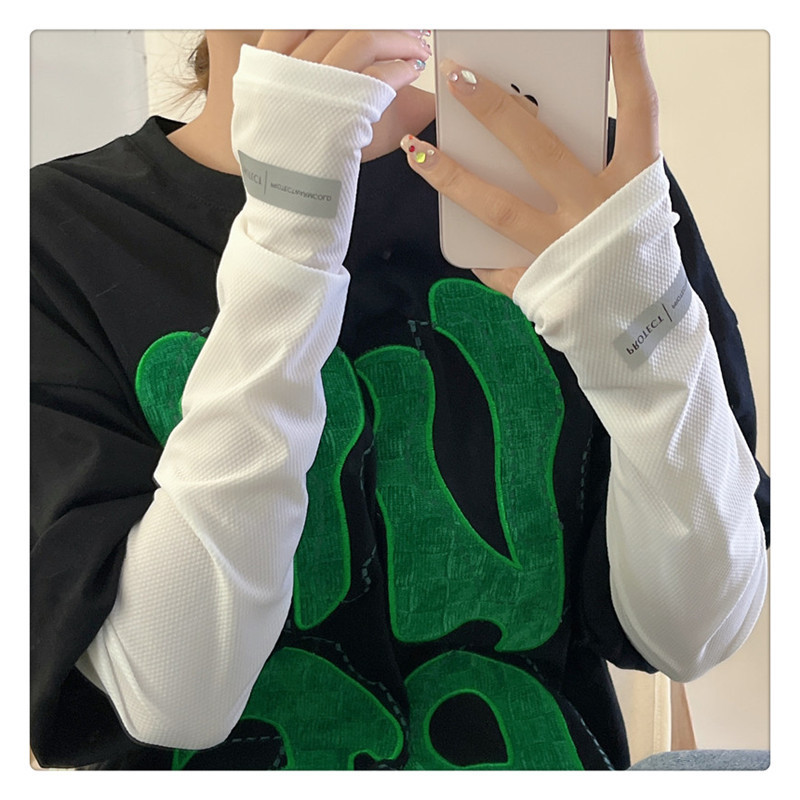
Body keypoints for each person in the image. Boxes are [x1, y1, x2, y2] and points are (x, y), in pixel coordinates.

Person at [30, 30, 769, 770]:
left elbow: (691, 634)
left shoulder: (581, 185)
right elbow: (173, 696)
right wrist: (287, 229)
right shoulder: (50, 235)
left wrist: (643, 341)